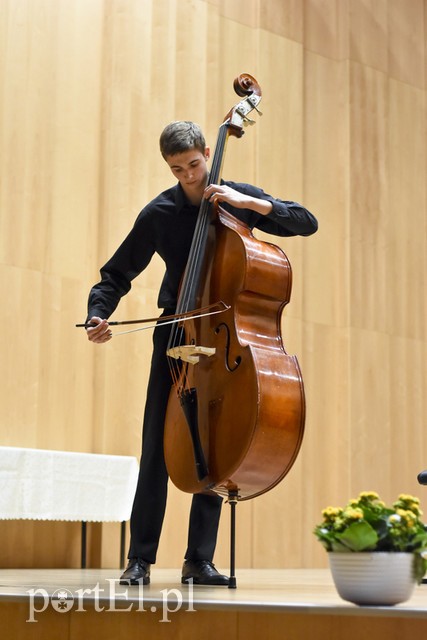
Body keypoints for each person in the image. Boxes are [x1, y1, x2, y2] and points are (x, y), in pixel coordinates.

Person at [85, 121, 318, 586]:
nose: (189, 176)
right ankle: (140, 560)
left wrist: (250, 204)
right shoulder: (160, 213)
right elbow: (116, 273)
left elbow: (305, 221)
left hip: (221, 335)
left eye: (194, 165)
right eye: (177, 169)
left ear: (208, 152)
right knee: (156, 444)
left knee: (216, 441)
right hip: (174, 333)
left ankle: (199, 560)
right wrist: (97, 313)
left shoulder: (235, 198)